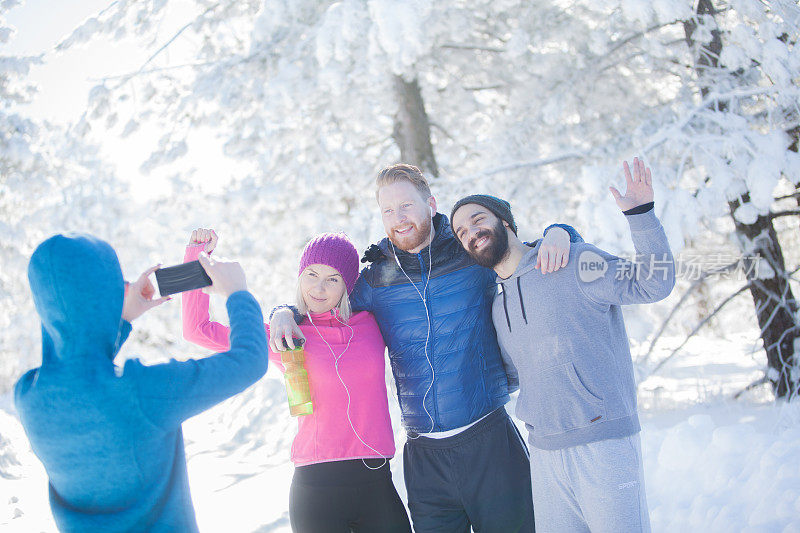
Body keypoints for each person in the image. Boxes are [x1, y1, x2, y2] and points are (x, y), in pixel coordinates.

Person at [270, 163, 583, 532]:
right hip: (425, 459)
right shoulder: (374, 280)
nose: (398, 219)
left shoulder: (472, 254)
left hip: (490, 443)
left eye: (406, 206)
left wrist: (561, 232)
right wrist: (283, 311)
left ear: (431, 204)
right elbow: (322, 298)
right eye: (388, 210)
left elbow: (526, 251)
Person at [450, 157, 675, 533]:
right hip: (544, 454)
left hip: (603, 443)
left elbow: (654, 284)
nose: (471, 232)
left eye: (478, 220)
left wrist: (641, 214)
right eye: (461, 232)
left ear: (505, 222)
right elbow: (511, 376)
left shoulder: (572, 260)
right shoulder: (497, 305)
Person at [14, 233, 268, 532]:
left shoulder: (28, 395)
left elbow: (84, 372)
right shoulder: (142, 392)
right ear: (106, 299)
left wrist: (122, 318)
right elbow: (249, 360)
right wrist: (238, 292)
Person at [182, 229, 411, 533]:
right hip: (317, 491)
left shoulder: (371, 323)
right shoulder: (286, 336)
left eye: (332, 279)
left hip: (377, 483)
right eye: (311, 274)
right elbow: (197, 329)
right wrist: (196, 257)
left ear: (347, 284)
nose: (319, 287)